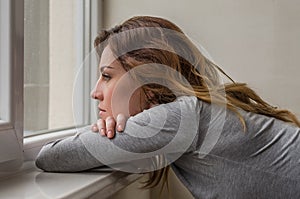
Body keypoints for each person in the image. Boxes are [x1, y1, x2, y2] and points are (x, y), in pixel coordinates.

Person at [36, 16, 300, 199]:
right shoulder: (195, 111)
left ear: (149, 80)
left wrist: (96, 131)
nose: (95, 92)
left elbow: (49, 157)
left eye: (107, 76)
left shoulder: (179, 116)